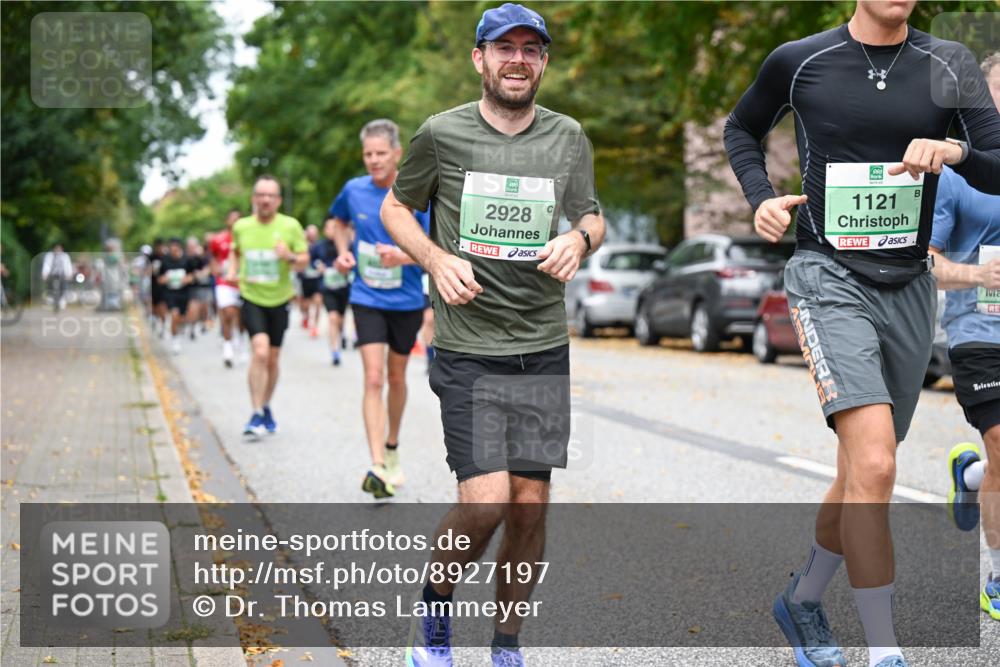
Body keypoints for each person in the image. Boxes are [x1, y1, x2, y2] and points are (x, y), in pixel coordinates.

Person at [723, 2, 1000, 666]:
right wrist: (760, 196)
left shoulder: (949, 64)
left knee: (860, 471)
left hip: (909, 285)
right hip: (829, 276)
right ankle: (885, 652)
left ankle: (803, 598)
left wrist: (955, 150)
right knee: (876, 464)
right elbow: (741, 128)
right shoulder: (801, 61)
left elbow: (997, 160)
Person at [381, 5, 604, 665]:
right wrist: (435, 259)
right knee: (486, 503)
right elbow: (397, 206)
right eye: (505, 48)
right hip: (469, 348)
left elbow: (592, 215)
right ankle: (435, 611)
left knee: (530, 506)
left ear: (543, 62)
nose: (518, 60)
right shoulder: (441, 134)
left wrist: (577, 238)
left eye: (531, 49)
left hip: (542, 344)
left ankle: (506, 645)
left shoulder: (568, 137)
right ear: (479, 58)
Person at [932, 51, 1000, 624]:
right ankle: (998, 578)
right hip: (978, 328)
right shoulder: (954, 175)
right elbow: (923, 261)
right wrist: (978, 274)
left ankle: (972, 475)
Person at [330, 118, 430, 499]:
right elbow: (338, 222)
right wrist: (343, 253)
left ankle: (391, 447)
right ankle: (376, 465)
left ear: (397, 154)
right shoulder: (353, 190)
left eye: (380, 153)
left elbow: (436, 248)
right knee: (373, 378)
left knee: (396, 377)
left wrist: (403, 256)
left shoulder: (416, 192)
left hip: (406, 299)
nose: (373, 160)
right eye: (368, 154)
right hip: (366, 296)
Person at [226, 175, 309, 438]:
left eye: (270, 196)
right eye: (261, 195)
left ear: (278, 200)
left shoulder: (290, 226)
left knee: (273, 359)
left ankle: (265, 405)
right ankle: (255, 412)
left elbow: (304, 261)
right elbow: (235, 252)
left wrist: (289, 256)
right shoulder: (241, 226)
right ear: (254, 199)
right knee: (260, 352)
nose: (265, 200)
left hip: (280, 299)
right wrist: (233, 270)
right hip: (252, 297)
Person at [313, 217, 350, 366]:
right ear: (325, 230)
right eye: (330, 227)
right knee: (333, 318)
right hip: (327, 287)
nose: (333, 231)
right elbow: (312, 260)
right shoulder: (319, 246)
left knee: (340, 319)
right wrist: (318, 266)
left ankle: (341, 335)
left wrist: (347, 268)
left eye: (335, 227)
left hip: (344, 287)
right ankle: (335, 351)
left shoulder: (347, 245)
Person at [209, 209, 244, 368]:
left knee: (242, 318)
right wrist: (214, 268)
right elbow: (212, 258)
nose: (235, 222)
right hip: (223, 282)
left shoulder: (246, 237)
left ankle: (241, 342)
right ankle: (227, 348)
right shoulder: (218, 239)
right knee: (228, 313)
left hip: (242, 282)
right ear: (227, 221)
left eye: (238, 219)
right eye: (232, 219)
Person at [157, 238, 194, 355]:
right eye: (171, 248)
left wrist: (187, 279)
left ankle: (179, 330)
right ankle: (175, 340)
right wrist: (165, 279)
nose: (173, 250)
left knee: (181, 318)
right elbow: (159, 278)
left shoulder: (186, 260)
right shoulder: (165, 261)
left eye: (175, 248)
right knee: (174, 314)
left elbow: (192, 275)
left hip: (183, 293)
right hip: (170, 293)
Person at [298, 224, 323, 337]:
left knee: (318, 301)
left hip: (317, 278)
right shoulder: (301, 245)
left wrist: (320, 265)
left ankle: (315, 326)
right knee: (305, 304)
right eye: (310, 233)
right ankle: (306, 316)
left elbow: (322, 258)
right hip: (304, 278)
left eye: (314, 233)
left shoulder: (320, 246)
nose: (312, 235)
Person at [185, 237, 212, 339]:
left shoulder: (202, 257)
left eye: (193, 246)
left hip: (203, 286)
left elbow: (208, 268)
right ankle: (192, 327)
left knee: (204, 307)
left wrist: (201, 274)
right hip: (191, 287)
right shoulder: (185, 258)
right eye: (190, 247)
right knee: (193, 308)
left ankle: (203, 323)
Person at [41, 242, 73, 311]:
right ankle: (51, 297)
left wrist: (69, 274)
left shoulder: (65, 256)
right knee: (49, 286)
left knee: (64, 286)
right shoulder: (49, 256)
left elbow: (68, 265)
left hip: (62, 274)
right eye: (56, 249)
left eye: (59, 249)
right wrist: (45, 273)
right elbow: (46, 265)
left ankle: (62, 300)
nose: (58, 250)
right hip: (52, 274)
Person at [149, 238, 168, 337]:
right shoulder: (151, 257)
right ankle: (155, 319)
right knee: (154, 306)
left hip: (164, 286)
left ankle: (163, 327)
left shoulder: (166, 257)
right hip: (153, 285)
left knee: (163, 306)